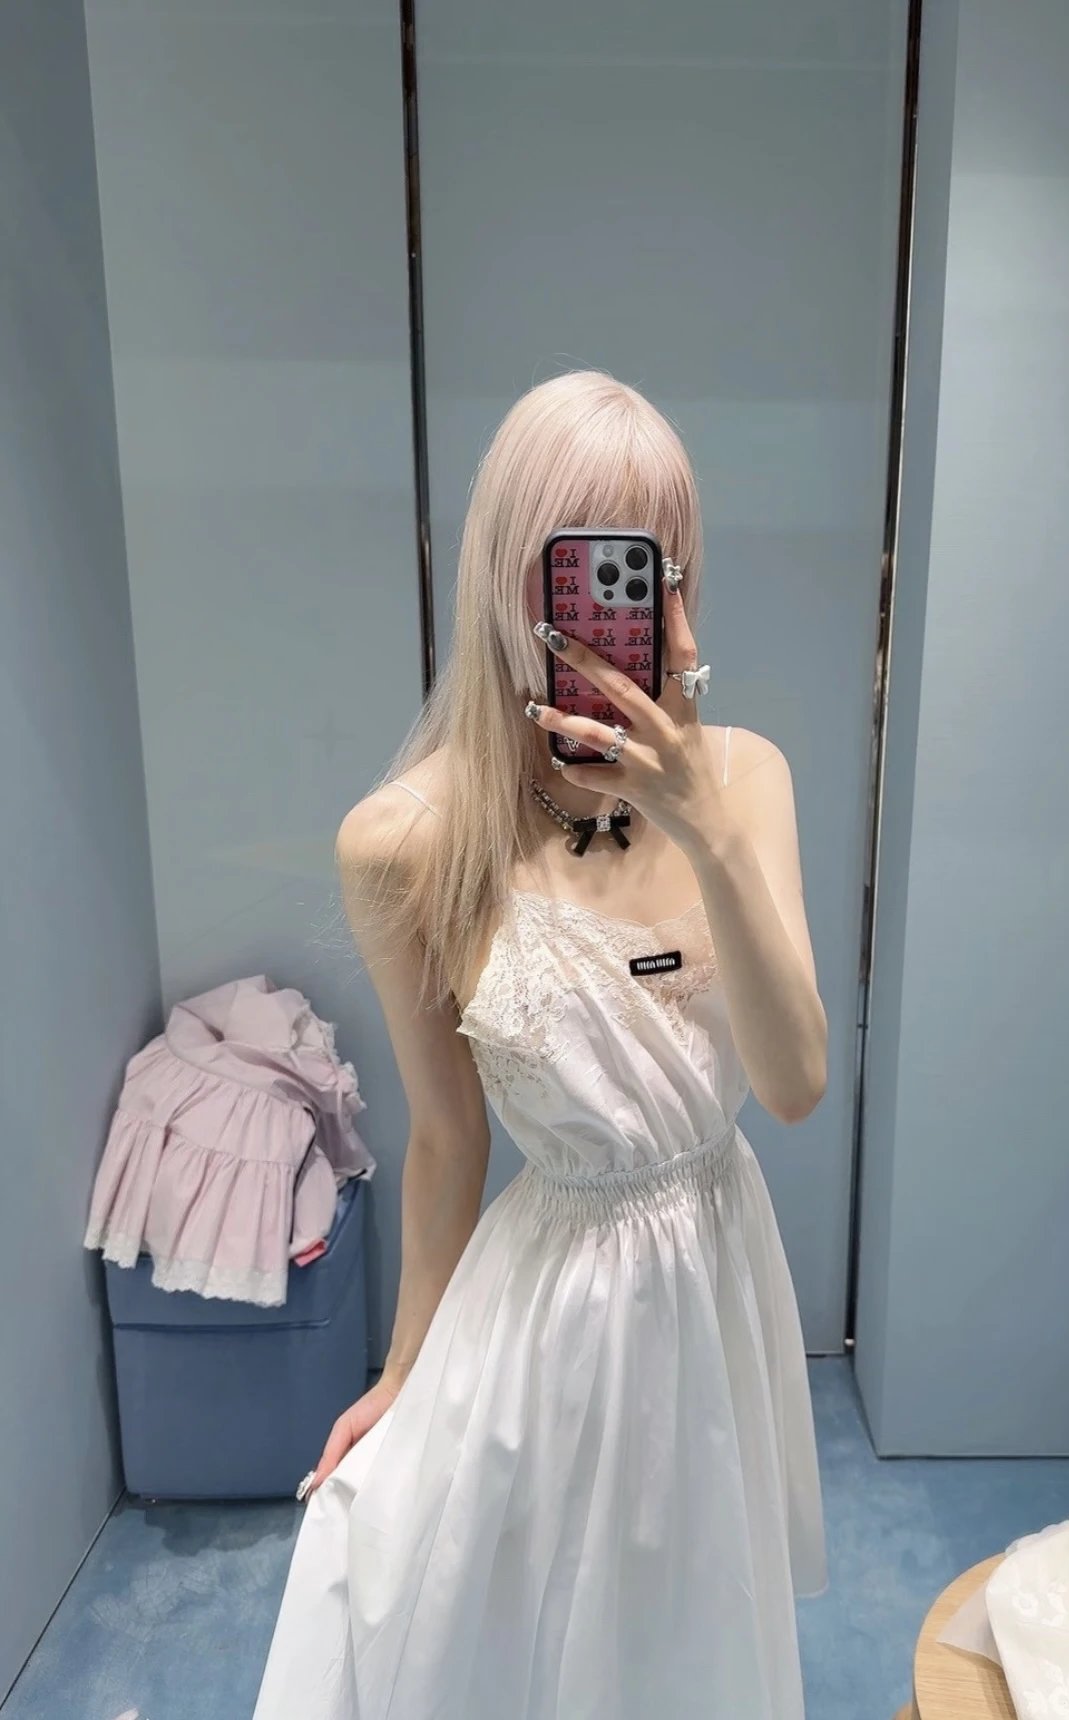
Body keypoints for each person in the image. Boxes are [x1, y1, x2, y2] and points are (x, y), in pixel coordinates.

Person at [251, 370, 829, 1720]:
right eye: (597, 571)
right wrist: (403, 1371)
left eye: (661, 570)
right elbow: (447, 1135)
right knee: (513, 1627)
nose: (639, 617)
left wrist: (702, 826)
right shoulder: (406, 842)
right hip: (555, 1306)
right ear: (516, 579)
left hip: (715, 1265)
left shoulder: (747, 781)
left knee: (682, 1632)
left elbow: (795, 1084)